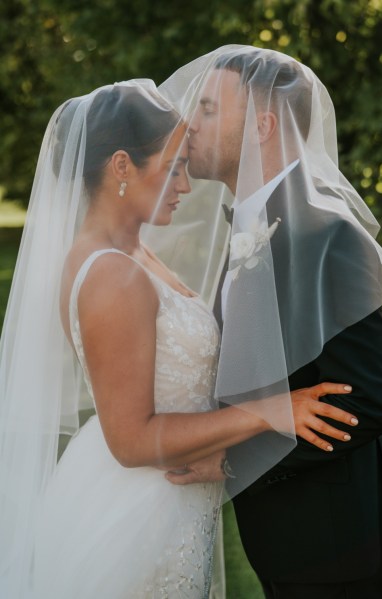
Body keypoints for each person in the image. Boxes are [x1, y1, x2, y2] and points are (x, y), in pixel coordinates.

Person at [0, 80, 358, 599]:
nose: (186, 185)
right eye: (174, 167)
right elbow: (130, 441)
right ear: (122, 166)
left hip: (169, 500)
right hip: (135, 513)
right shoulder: (111, 275)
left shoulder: (132, 255)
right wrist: (271, 412)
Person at [159, 46, 382, 598]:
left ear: (262, 126)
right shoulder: (252, 221)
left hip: (335, 539)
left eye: (206, 110)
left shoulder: (325, 232)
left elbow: (365, 400)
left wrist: (229, 458)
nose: (188, 125)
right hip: (284, 534)